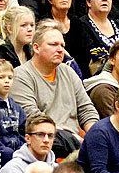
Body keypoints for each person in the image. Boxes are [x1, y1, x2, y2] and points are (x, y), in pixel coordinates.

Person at [10, 20, 98, 155]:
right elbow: (33, 118)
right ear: (36, 48)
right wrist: (74, 139)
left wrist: (95, 135)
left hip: (74, 141)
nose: (59, 49)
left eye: (62, 46)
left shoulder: (68, 72)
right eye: (53, 44)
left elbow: (86, 109)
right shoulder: (20, 75)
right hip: (45, 141)